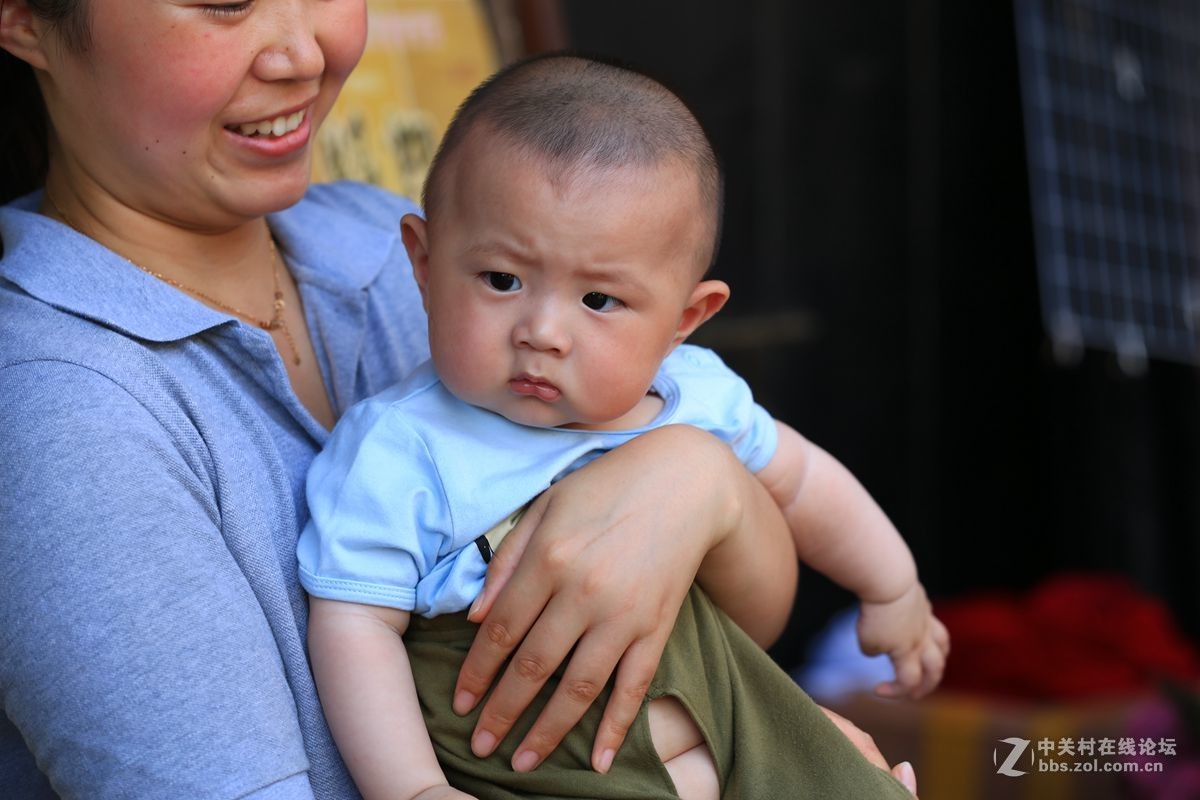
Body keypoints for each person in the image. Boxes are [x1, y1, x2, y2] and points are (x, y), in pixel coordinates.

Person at [0, 0, 919, 797]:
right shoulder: (60, 418)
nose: (302, 52)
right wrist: (711, 776)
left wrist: (698, 479)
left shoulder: (398, 245)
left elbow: (731, 624)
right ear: (25, 17)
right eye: (224, 1)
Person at [299, 55, 947, 800]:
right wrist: (412, 789)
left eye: (600, 301)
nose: (542, 331)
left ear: (685, 320)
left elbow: (801, 481)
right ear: (423, 260)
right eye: (501, 280)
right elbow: (355, 626)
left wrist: (891, 584)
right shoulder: (402, 447)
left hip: (699, 699)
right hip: (508, 734)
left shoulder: (695, 399)